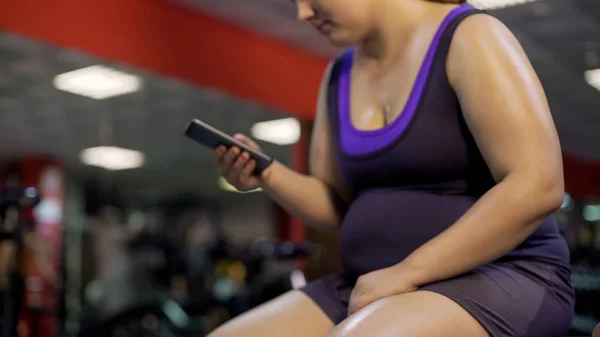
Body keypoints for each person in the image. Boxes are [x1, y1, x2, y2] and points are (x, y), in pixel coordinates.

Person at [211, 0, 575, 336]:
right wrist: (267, 175)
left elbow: (537, 186)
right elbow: (338, 205)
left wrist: (407, 273)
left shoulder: (470, 35)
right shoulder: (339, 74)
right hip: (369, 284)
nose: (303, 13)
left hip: (498, 276)